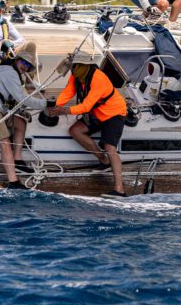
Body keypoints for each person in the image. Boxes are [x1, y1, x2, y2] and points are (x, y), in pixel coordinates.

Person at [48, 52, 128, 197]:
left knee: (110, 148)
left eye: (76, 66)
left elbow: (86, 106)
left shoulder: (98, 79)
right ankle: (103, 161)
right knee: (75, 131)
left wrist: (65, 111)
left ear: (85, 66)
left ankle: (119, 189)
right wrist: (55, 106)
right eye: (73, 66)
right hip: (97, 113)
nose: (73, 69)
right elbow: (68, 92)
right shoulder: (76, 75)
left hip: (114, 113)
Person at [0, 42, 46, 189]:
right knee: (5, 143)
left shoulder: (16, 75)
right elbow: (23, 99)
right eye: (24, 62)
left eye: (28, 65)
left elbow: (18, 99)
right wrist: (46, 104)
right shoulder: (10, 73)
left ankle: (17, 160)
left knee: (21, 121)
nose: (25, 67)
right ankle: (13, 182)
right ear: (17, 60)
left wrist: (24, 110)